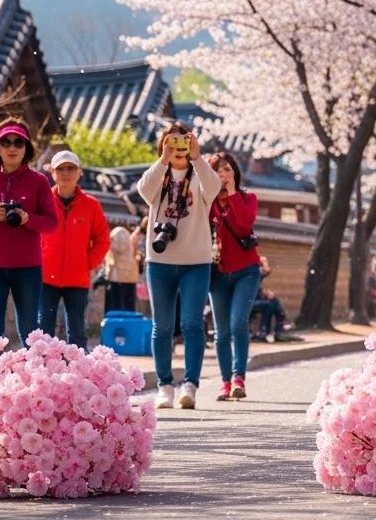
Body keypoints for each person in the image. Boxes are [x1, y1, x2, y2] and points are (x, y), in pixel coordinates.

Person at [137, 122, 221, 410]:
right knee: (161, 326)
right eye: (171, 141)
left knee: (191, 324)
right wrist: (162, 159)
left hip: (196, 262)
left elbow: (215, 188)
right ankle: (165, 386)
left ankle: (190, 385)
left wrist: (198, 157)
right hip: (159, 261)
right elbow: (144, 190)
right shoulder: (158, 174)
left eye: (183, 141)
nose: (178, 147)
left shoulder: (200, 175)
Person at [0, 118, 58, 375]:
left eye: (19, 142)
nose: (12, 147)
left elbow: (52, 223)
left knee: (29, 330)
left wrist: (28, 219)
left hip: (28, 269)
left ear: (27, 148)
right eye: (5, 142)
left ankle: (34, 382)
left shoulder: (39, 181)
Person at [38, 151, 111, 350]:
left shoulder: (91, 205)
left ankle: (78, 368)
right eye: (60, 169)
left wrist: (88, 263)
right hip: (45, 277)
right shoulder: (42, 202)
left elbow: (103, 240)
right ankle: (42, 368)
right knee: (43, 330)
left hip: (77, 278)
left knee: (77, 331)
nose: (65, 173)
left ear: (79, 172)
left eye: (70, 168)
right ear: (53, 173)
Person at [207, 152, 263, 401]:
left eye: (227, 169)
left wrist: (231, 193)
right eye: (217, 171)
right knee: (221, 331)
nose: (223, 174)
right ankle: (225, 382)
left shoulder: (248, 198)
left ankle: (239, 377)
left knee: (238, 322)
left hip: (246, 270)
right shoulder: (207, 202)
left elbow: (244, 224)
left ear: (235, 173)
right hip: (218, 273)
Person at [102, 226, 139, 313]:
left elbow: (116, 248)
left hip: (116, 279)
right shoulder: (130, 249)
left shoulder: (114, 244)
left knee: (115, 309)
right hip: (130, 279)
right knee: (128, 309)